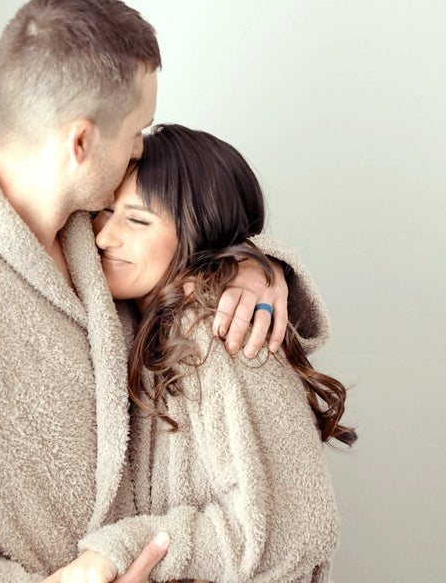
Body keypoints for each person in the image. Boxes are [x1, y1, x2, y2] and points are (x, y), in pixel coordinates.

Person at [0, 0, 330, 583]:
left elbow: (190, 237)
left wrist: (251, 267)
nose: (139, 151)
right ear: (80, 142)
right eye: (136, 130)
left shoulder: (95, 233)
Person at [54, 124, 357, 582]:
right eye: (105, 213)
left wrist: (115, 553)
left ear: (197, 236)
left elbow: (293, 529)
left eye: (137, 220)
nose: (103, 238)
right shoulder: (140, 326)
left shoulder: (226, 335)